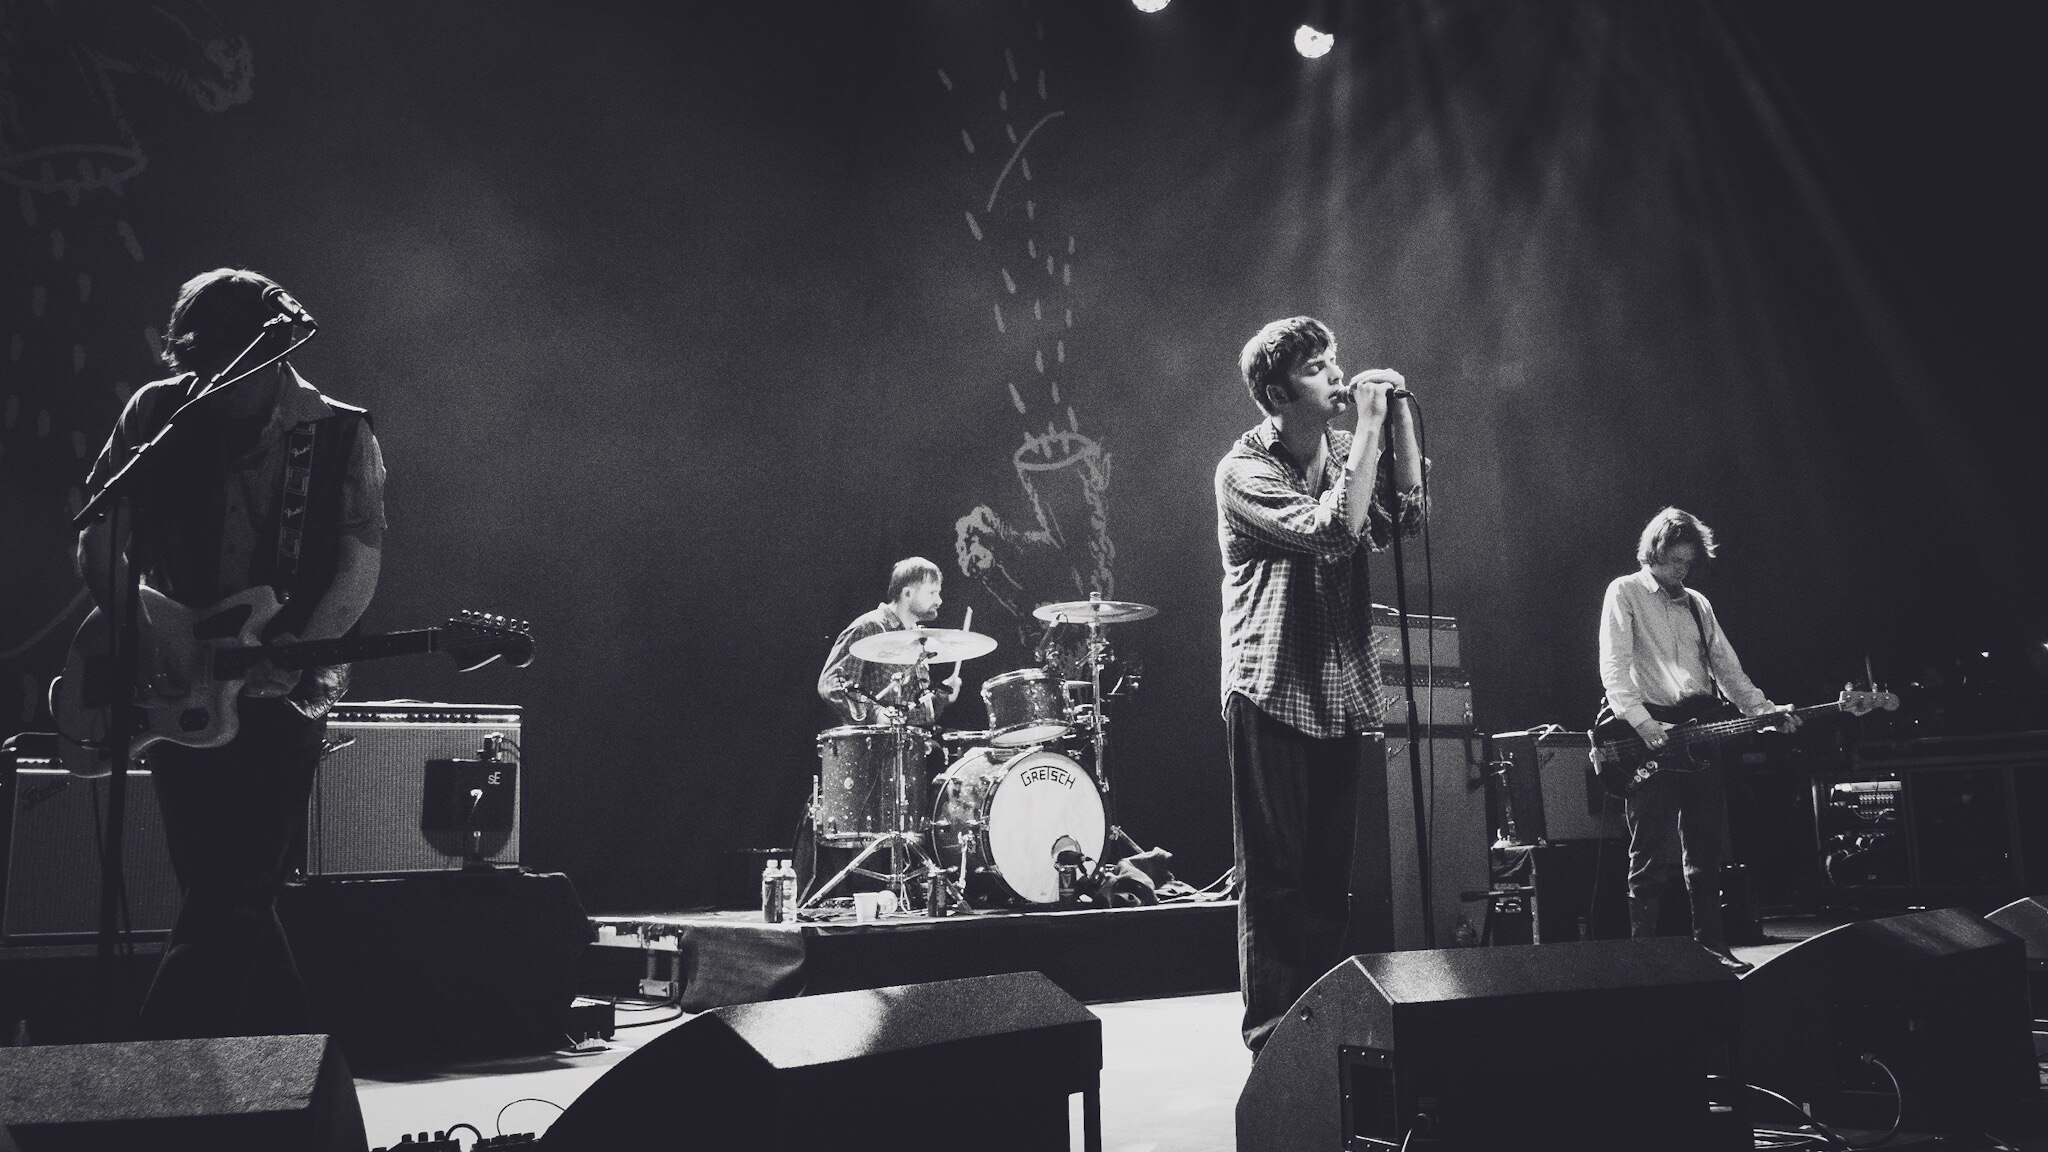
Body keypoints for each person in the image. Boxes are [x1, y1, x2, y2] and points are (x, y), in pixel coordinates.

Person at [77, 268, 385, 1038]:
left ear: (273, 346)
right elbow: (99, 530)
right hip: (174, 677)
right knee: (222, 890)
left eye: (226, 356)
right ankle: (300, 1069)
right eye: (199, 358)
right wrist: (136, 630)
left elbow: (359, 563)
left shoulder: (338, 429)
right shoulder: (161, 411)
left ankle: (153, 1082)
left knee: (232, 887)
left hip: (279, 683)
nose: (209, 375)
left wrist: (300, 645)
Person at [1215, 315, 1424, 1054]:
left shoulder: (1346, 451)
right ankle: (1274, 1043)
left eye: (1335, 360)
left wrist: (1394, 422)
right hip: (1270, 686)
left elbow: (1404, 514)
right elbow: (1333, 530)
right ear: (1275, 393)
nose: (1337, 374)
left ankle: (1326, 1034)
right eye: (1315, 368)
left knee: (1330, 875)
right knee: (1276, 879)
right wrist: (1368, 424)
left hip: (1338, 687)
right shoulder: (1243, 470)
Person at [1597, 507, 1796, 973]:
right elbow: (1613, 666)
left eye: (1687, 563)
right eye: (1672, 561)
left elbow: (1727, 669)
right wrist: (1644, 725)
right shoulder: (1624, 591)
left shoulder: (1698, 603)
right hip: (1651, 732)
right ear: (1652, 553)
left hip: (1700, 731)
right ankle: (1642, 957)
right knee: (1648, 856)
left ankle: (1712, 950)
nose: (1679, 572)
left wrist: (1764, 713)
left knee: (1706, 854)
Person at [816, 557, 963, 727]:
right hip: (872, 747)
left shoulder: (918, 638)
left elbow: (915, 715)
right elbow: (833, 683)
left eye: (938, 593)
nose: (939, 601)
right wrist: (875, 714)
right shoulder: (870, 628)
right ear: (907, 593)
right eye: (932, 593)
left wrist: (943, 696)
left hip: (909, 746)